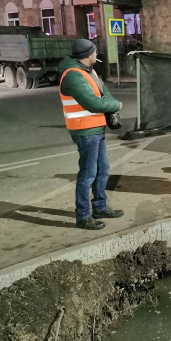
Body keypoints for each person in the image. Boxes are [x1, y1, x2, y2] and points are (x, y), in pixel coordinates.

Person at [59, 39, 124, 230]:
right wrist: (116, 106)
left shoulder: (89, 72)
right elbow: (93, 103)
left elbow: (104, 94)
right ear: (88, 55)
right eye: (95, 52)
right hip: (84, 131)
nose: (97, 55)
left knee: (102, 169)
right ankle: (83, 216)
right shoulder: (73, 76)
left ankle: (100, 206)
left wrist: (111, 102)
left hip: (96, 129)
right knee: (88, 174)